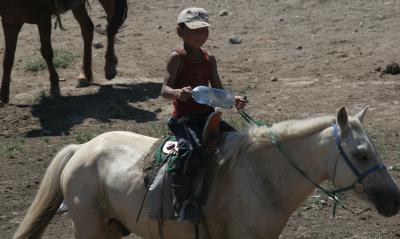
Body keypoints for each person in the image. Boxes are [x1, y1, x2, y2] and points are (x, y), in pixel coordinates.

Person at [161, 7, 246, 223]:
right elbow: (164, 90)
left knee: (238, 142)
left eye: (204, 31)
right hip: (185, 120)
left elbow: (217, 92)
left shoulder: (210, 59)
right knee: (189, 151)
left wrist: (232, 99)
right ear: (180, 32)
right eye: (194, 31)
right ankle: (183, 202)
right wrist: (178, 93)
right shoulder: (176, 58)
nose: (200, 36)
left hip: (208, 119)